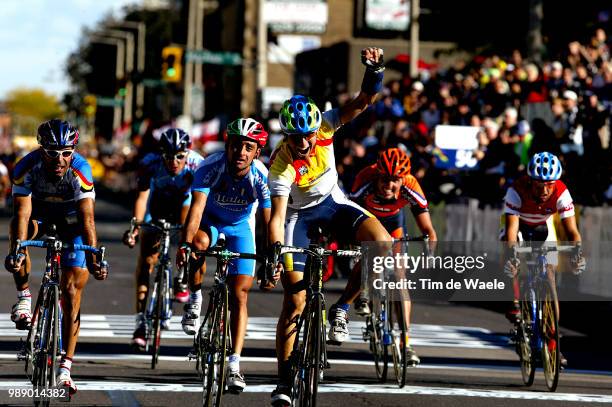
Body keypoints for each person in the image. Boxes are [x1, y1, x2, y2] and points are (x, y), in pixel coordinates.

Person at [267, 47, 392, 406]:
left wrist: (374, 70)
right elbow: (277, 217)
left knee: (382, 245)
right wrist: (277, 252)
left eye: (307, 135)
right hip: (298, 219)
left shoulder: (325, 126)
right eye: (296, 137)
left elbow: (364, 101)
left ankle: (342, 306)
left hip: (333, 204)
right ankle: (285, 381)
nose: (304, 142)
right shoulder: (280, 164)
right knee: (294, 302)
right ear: (286, 135)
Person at [5, 119, 107, 395]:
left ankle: (65, 369)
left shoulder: (81, 170)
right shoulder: (26, 167)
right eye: (51, 152)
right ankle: (24, 297)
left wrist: (95, 256)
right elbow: (23, 214)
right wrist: (18, 249)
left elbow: (88, 220)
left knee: (72, 291)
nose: (59, 159)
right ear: (41, 150)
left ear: (73, 150)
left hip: (72, 221)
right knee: (19, 229)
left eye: (66, 151)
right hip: (38, 216)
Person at [176, 118, 271, 393]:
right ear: (227, 147)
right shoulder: (210, 167)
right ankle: (194, 297)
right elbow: (195, 212)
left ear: (256, 152)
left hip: (241, 227)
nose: (241, 152)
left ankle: (234, 364)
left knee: (240, 294)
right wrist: (185, 244)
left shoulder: (261, 176)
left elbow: (267, 222)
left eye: (248, 147)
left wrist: (269, 257)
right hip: (211, 222)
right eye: (236, 145)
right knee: (199, 243)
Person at [349, 147, 438, 365]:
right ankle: (366, 290)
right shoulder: (365, 179)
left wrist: (429, 251)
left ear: (403, 179)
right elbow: (350, 214)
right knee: (372, 255)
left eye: (395, 180)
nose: (389, 186)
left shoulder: (411, 185)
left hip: (394, 223)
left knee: (400, 280)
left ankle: (405, 343)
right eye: (385, 180)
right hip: (367, 219)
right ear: (377, 175)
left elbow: (429, 230)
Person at [501, 151, 586, 367]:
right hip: (519, 224)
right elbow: (511, 231)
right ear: (530, 180)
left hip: (543, 227)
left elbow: (572, 233)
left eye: (549, 184)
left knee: (549, 276)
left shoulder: (562, 192)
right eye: (539, 185)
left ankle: (553, 345)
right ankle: (515, 302)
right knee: (511, 259)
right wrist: (513, 256)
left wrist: (577, 252)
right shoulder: (516, 190)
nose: (545, 190)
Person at [122, 128, 204, 350]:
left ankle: (181, 276)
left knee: (189, 225)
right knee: (147, 258)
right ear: (161, 154)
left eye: (180, 156)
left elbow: (200, 202)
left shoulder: (197, 164)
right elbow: (141, 198)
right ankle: (140, 321)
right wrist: (135, 228)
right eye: (169, 156)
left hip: (184, 205)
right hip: (157, 206)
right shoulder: (150, 163)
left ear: (188, 153)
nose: (174, 161)